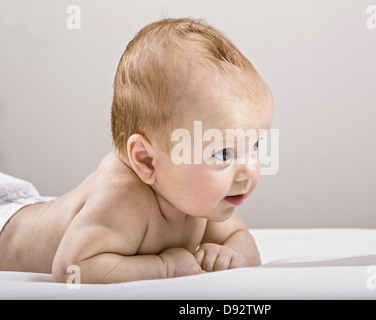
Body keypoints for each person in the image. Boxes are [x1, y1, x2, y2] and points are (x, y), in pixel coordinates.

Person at [0, 18, 274, 284]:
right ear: (146, 161)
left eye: (254, 145)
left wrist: (232, 255)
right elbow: (72, 266)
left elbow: (241, 239)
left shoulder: (194, 200)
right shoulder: (123, 199)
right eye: (223, 154)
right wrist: (165, 267)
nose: (250, 168)